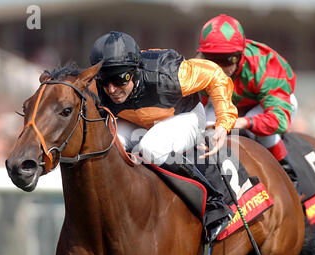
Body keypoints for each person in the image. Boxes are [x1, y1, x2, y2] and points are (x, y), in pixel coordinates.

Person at [90, 31, 238, 243]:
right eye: (104, 81)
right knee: (109, 147)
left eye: (119, 79)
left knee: (150, 148)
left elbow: (216, 75)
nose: (111, 89)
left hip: (183, 115)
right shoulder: (101, 88)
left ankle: (214, 203)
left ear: (134, 71)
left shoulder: (168, 73)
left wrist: (224, 123)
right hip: (137, 122)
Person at [196, 14, 299, 188]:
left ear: (239, 56)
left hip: (268, 106)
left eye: (227, 60)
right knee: (202, 131)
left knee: (264, 134)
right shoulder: (200, 64)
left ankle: (289, 180)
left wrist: (237, 123)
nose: (218, 69)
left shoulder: (265, 65)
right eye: (212, 60)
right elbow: (198, 107)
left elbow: (279, 119)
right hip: (230, 104)